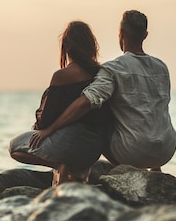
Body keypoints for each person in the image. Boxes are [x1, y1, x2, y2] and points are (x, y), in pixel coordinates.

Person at [30, 10, 176, 171]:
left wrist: (50, 129)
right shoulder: (162, 67)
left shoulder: (114, 68)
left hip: (132, 152)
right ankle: (155, 172)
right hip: (166, 150)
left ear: (121, 33)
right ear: (145, 35)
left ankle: (74, 168)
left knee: (100, 125)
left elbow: (86, 102)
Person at [9, 21, 107, 186]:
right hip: (94, 149)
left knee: (14, 146)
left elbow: (46, 120)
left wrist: (39, 125)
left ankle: (60, 166)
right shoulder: (103, 75)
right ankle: (71, 172)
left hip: (71, 145)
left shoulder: (62, 76)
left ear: (67, 48)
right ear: (91, 45)